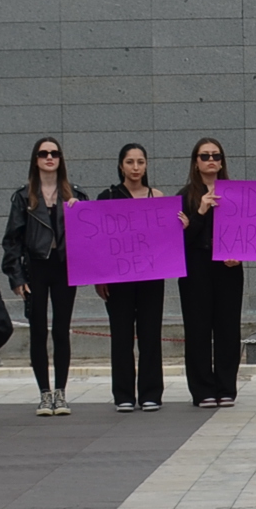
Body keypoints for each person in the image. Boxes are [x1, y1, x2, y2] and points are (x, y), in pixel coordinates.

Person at [3, 137, 77, 417]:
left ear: (60, 159)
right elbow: (12, 240)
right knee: (37, 331)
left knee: (61, 330)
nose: (49, 157)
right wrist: (16, 276)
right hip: (36, 266)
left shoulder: (74, 195)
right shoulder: (24, 197)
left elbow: (88, 235)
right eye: (43, 153)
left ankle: (61, 392)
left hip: (63, 267)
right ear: (36, 159)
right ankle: (44, 393)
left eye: (54, 153)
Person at [96, 143, 168, 412]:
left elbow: (165, 239)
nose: (136, 167)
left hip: (151, 276)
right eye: (130, 162)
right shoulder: (108, 198)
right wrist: (99, 276)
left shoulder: (157, 197)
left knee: (150, 334)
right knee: (122, 335)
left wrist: (180, 223)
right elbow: (100, 241)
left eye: (140, 162)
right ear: (121, 166)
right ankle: (123, 394)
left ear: (146, 165)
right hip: (118, 278)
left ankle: (151, 392)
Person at [178, 139, 243, 407]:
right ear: (196, 162)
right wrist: (201, 212)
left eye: (216, 155)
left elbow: (248, 232)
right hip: (196, 267)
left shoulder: (236, 193)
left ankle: (226, 386)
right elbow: (180, 240)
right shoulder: (185, 195)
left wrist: (240, 255)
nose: (211, 160)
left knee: (228, 329)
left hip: (227, 268)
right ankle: (203, 389)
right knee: (198, 329)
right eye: (205, 156)